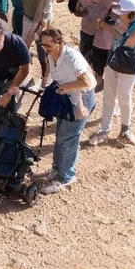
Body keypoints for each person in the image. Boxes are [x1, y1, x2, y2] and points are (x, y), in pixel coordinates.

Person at [37, 28, 97, 195]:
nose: (46, 48)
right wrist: (47, 82)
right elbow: (52, 70)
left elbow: (86, 82)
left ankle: (66, 176)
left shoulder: (72, 57)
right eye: (43, 45)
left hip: (81, 98)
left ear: (59, 42)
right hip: (67, 97)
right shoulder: (51, 55)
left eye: (49, 45)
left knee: (69, 138)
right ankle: (57, 170)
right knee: (61, 135)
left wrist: (64, 87)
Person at [89, 0, 135, 148]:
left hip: (127, 65)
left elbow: (127, 46)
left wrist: (112, 28)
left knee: (124, 98)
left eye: (121, 13)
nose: (118, 16)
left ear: (130, 13)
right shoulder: (131, 21)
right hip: (115, 62)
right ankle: (104, 130)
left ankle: (125, 130)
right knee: (108, 97)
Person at [76, 0, 129, 89]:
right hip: (87, 27)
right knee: (83, 61)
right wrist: (79, 6)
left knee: (97, 67)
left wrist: (111, 26)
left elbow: (129, 11)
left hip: (102, 35)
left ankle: (96, 85)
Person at [17, 0, 54, 86]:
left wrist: (36, 25)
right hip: (27, 18)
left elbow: (42, 7)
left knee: (43, 51)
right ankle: (24, 76)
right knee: (24, 49)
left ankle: (45, 79)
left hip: (40, 21)